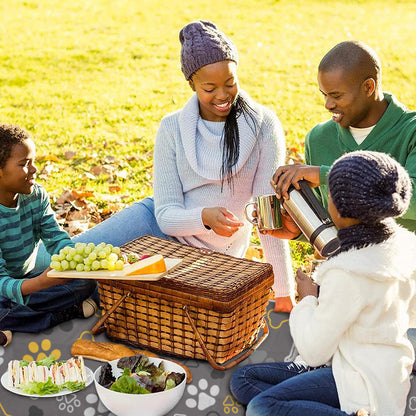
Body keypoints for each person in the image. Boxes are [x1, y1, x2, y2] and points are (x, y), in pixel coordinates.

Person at [36, 20, 294, 312]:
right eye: (209, 88)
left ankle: (70, 303)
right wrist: (204, 217)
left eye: (230, 83)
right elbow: (167, 215)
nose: (222, 95)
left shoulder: (263, 126)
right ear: (191, 84)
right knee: (66, 261)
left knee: (109, 292)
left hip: (207, 257)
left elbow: (267, 215)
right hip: (157, 224)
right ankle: (12, 286)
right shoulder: (172, 128)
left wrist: (284, 293)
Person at [230, 150, 416, 416]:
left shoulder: (348, 273)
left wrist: (308, 299)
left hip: (362, 387)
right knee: (243, 380)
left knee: (262, 406)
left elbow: (313, 351)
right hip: (379, 371)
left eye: (329, 194)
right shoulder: (406, 245)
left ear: (339, 207)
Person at [267, 40, 416, 241]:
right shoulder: (319, 138)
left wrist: (329, 176)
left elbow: (412, 200)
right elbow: (331, 225)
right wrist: (300, 231)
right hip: (348, 266)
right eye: (324, 95)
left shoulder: (411, 131)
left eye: (336, 96)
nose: (328, 104)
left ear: (368, 87)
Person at [0, 124, 98, 347]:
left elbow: (55, 238)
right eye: (25, 164)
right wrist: (41, 283)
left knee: (86, 282)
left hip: (27, 279)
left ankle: (13, 321)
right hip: (7, 287)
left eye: (33, 161)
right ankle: (63, 313)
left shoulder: (36, 195)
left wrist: (76, 262)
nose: (34, 169)